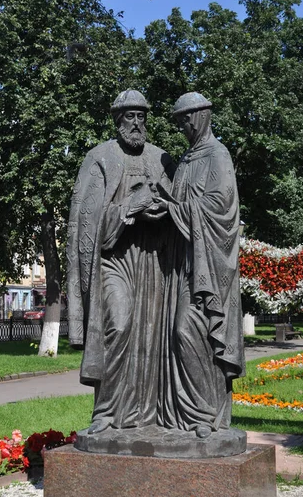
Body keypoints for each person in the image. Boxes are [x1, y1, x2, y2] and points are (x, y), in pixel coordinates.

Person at [67, 89, 174, 434]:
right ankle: (106, 412)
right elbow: (89, 220)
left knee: (152, 335)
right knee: (120, 324)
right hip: (113, 261)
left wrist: (160, 210)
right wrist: (132, 206)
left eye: (142, 116)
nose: (137, 123)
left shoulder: (161, 158)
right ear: (117, 120)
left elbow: (179, 206)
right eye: (130, 116)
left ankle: (147, 415)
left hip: (153, 260)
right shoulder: (100, 158)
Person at [152, 92, 245, 438]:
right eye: (179, 120)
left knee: (189, 331)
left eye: (186, 118)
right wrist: (164, 206)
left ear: (202, 115)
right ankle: (187, 415)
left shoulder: (218, 155)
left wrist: (175, 205)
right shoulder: (188, 159)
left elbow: (220, 209)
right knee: (182, 335)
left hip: (208, 266)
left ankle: (206, 413)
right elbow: (182, 207)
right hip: (182, 264)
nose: (183, 126)